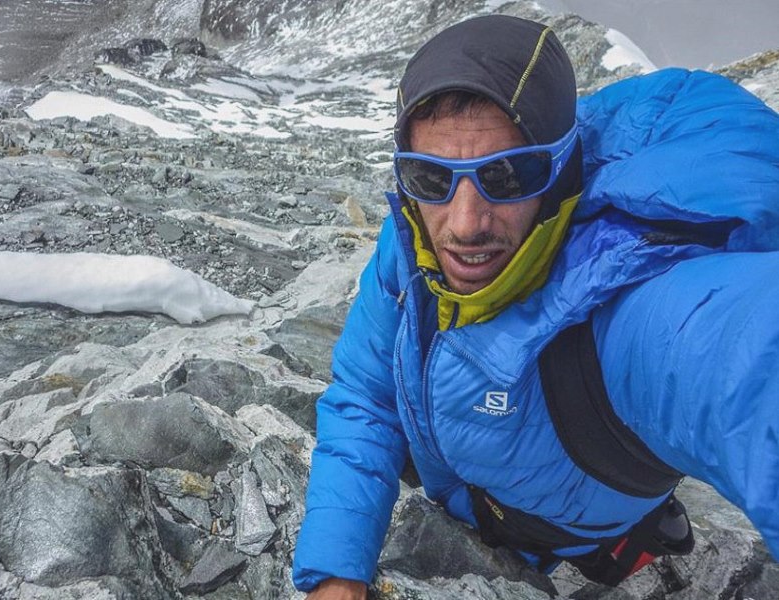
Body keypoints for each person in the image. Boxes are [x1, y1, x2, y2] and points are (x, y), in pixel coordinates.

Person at [292, 14, 779, 599]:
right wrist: (336, 571)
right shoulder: (413, 242)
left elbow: (746, 365)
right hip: (466, 472)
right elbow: (366, 398)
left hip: (567, 542)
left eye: (506, 175)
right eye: (430, 176)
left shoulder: (632, 299)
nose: (465, 224)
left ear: (560, 172)